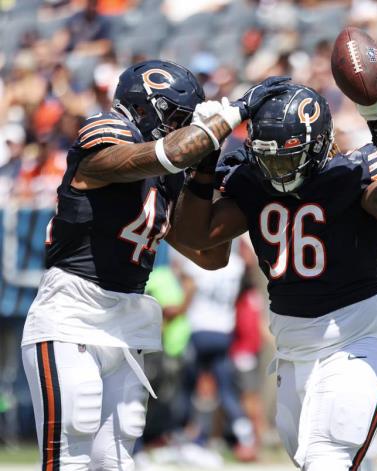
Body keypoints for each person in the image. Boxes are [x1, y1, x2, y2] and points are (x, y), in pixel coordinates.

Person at [20, 59, 286, 470]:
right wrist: (230, 116)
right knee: (69, 450)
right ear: (144, 109)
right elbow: (166, 153)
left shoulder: (165, 177)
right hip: (71, 313)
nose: (183, 129)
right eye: (178, 119)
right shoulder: (106, 133)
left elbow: (209, 254)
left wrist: (210, 171)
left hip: (126, 317)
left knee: (117, 455)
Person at [174, 59, 377, 470]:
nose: (279, 169)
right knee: (311, 456)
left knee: (327, 456)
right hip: (291, 343)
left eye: (289, 157)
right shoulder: (252, 181)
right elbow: (197, 237)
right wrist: (204, 162)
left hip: (354, 336)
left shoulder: (352, 173)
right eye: (269, 158)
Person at [172, 241, 257, 461]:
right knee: (226, 390)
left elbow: (187, 287)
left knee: (189, 388)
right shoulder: (236, 265)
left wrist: (177, 311)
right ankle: (246, 437)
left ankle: (186, 436)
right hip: (223, 332)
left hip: (200, 331)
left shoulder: (197, 264)